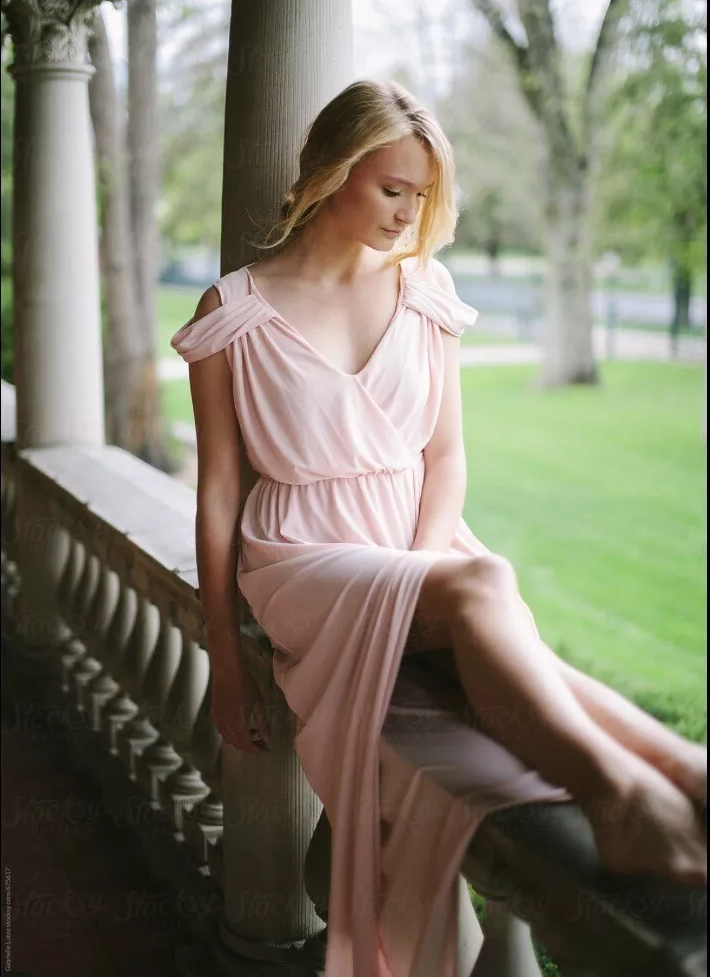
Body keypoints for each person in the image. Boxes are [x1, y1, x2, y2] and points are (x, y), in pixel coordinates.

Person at [171, 79, 706, 977]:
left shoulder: (426, 291)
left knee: (501, 622)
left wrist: (414, 569)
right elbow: (219, 491)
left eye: (421, 194)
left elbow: (447, 458)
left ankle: (686, 773)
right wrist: (224, 654)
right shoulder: (235, 314)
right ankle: (617, 800)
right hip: (304, 554)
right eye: (392, 188)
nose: (407, 212)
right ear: (332, 175)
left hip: (417, 542)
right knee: (485, 587)